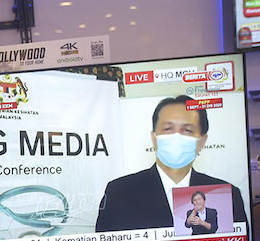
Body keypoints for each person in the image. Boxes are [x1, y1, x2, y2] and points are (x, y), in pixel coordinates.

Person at [95, 96, 247, 232]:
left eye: (187, 130)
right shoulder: (120, 192)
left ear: (201, 141)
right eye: (168, 129)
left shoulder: (227, 194)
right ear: (154, 138)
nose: (176, 137)